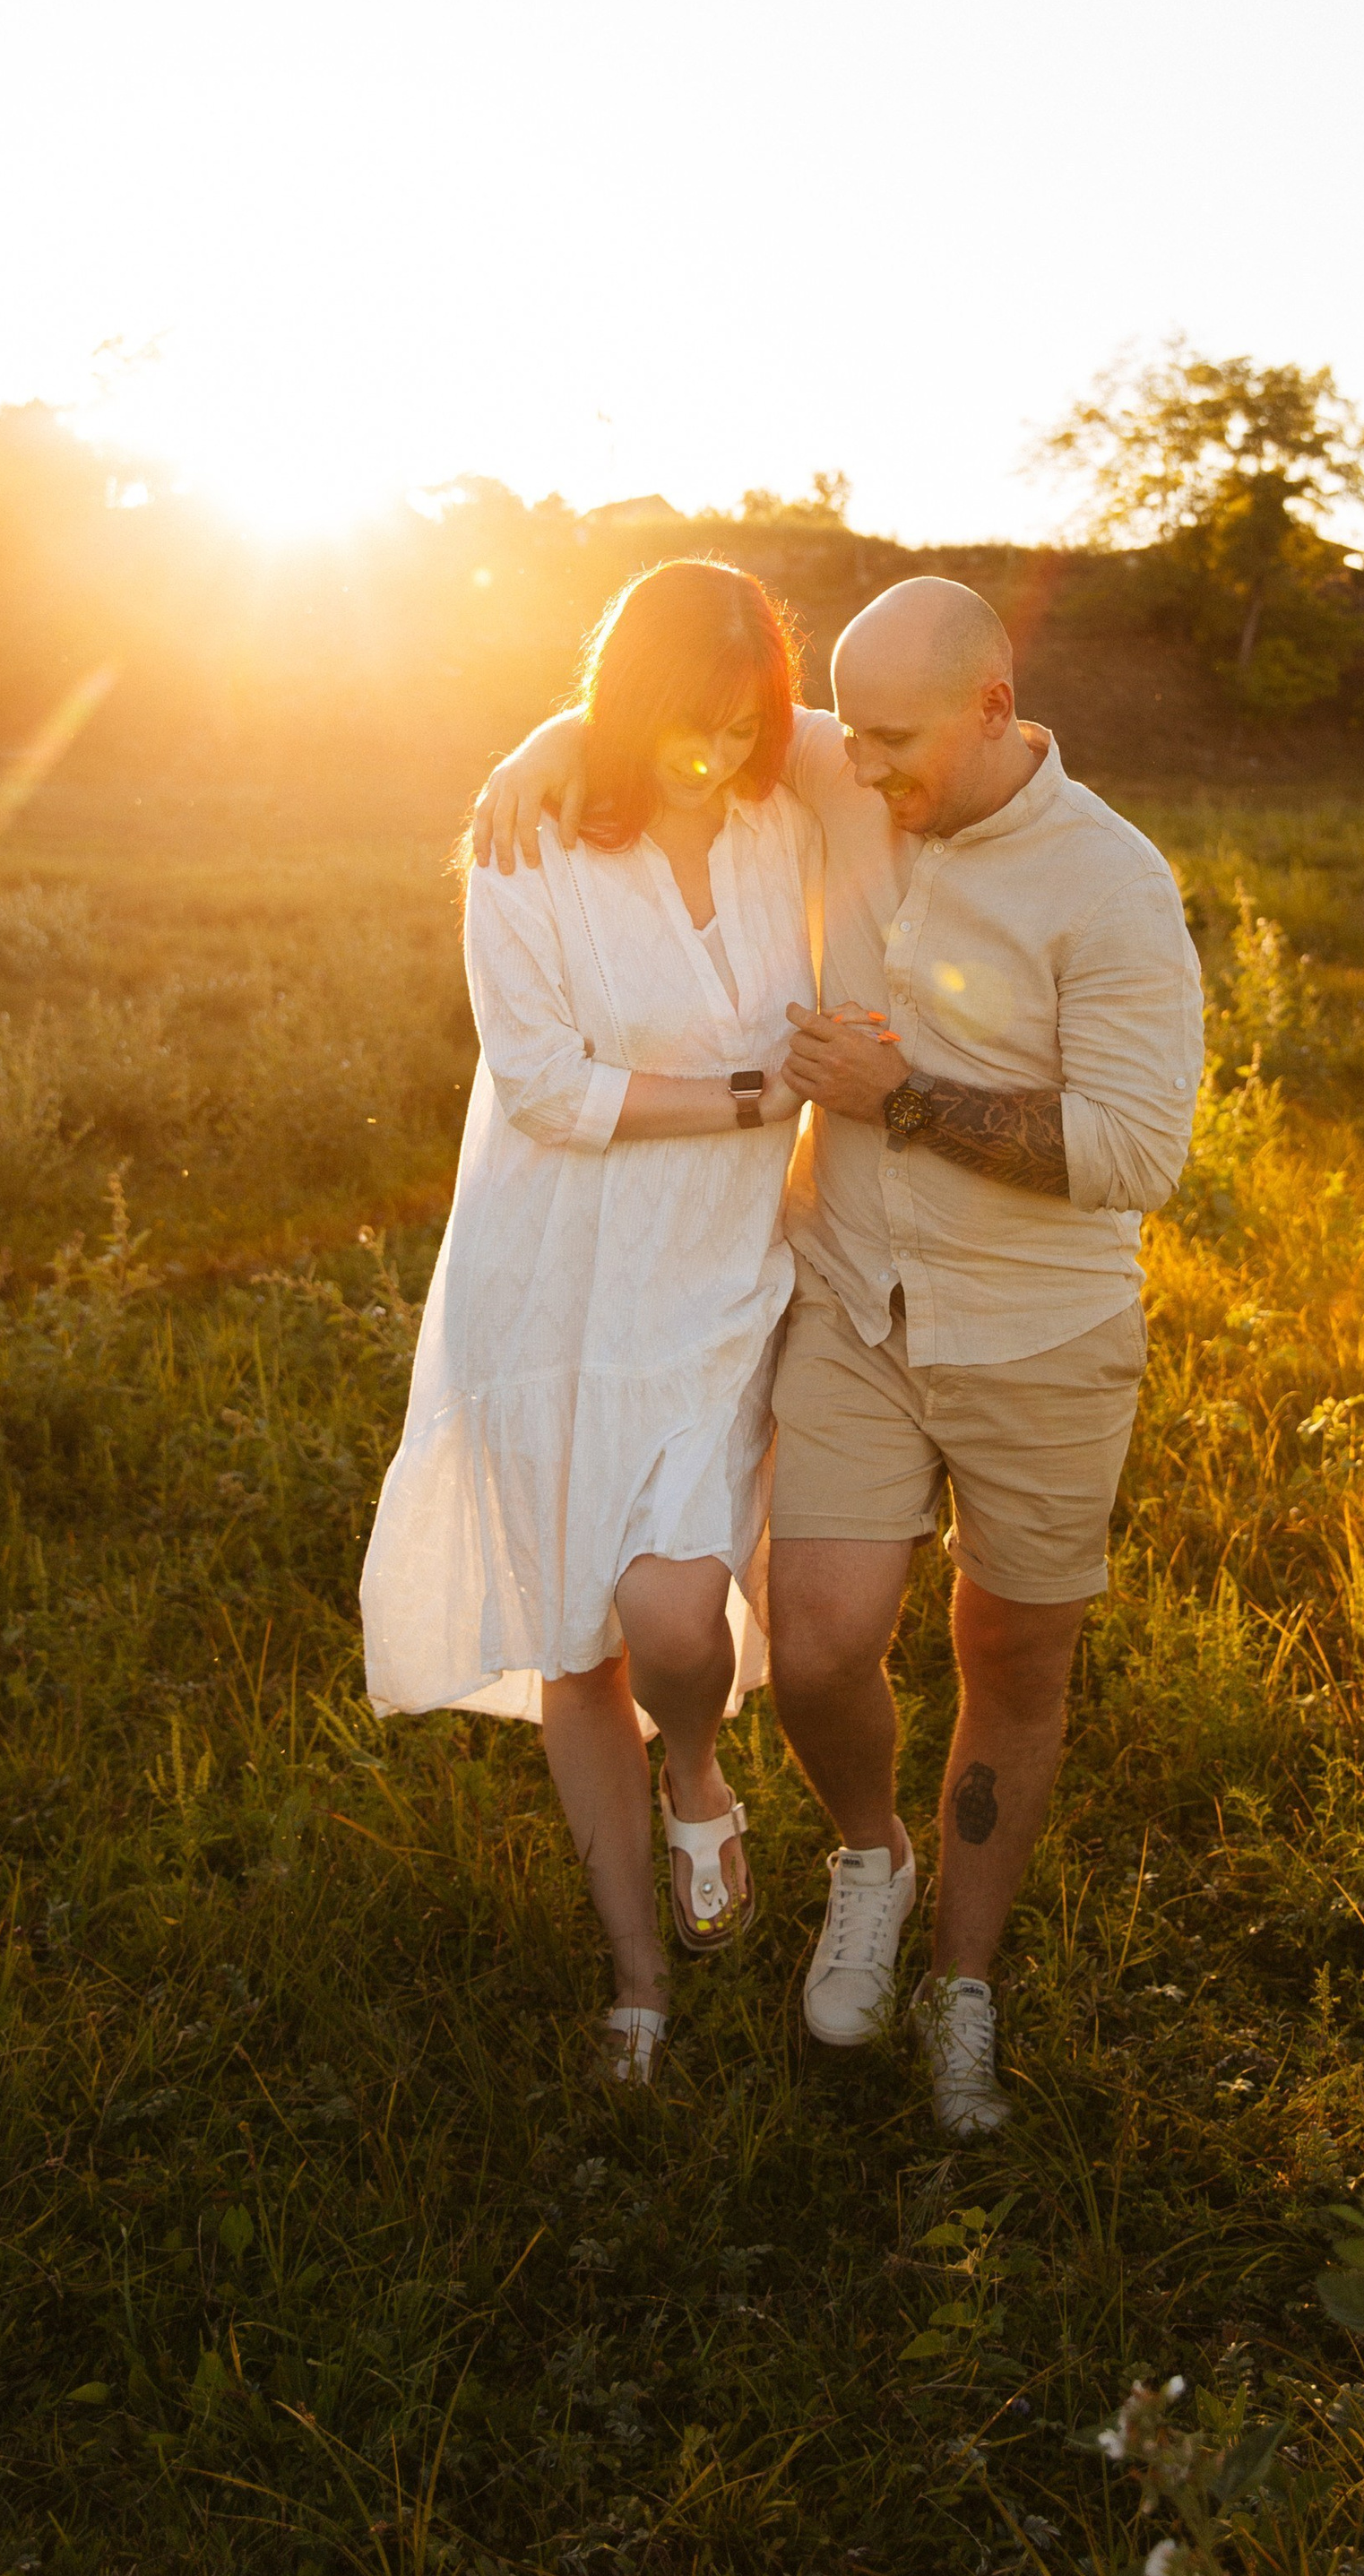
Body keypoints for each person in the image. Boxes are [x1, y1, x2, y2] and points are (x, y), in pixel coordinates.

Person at [473, 575, 1204, 2135]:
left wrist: (908, 1099)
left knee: (1012, 1662)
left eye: (886, 744)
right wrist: (536, 742)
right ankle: (867, 1857)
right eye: (845, 735)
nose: (847, 768)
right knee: (811, 1644)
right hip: (854, 1307)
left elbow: (1139, 1153)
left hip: (1039, 1337)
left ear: (993, 714)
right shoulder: (847, 755)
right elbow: (678, 712)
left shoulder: (1113, 884)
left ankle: (964, 1986)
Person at [361, 559, 821, 2088]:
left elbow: (875, 733)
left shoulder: (790, 820)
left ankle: (698, 1771)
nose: (711, 750)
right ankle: (637, 1974)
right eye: (676, 720)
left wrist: (555, 722)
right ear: (625, 709)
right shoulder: (529, 845)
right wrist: (760, 1094)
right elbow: (550, 1089)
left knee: (676, 1612)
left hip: (717, 1282)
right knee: (578, 1639)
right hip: (555, 1285)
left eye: (737, 715)